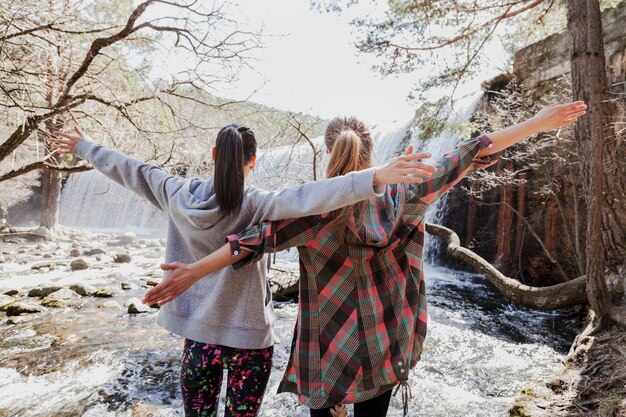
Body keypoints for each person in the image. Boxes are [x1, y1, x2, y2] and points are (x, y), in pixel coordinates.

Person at [143, 101, 587, 417]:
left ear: (330, 150)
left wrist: (190, 274)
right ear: (372, 150)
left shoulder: (311, 209)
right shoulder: (405, 188)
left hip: (325, 350)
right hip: (385, 340)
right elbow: (474, 149)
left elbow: (246, 243)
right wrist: (538, 122)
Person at [47, 124, 436, 417]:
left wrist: (85, 147)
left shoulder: (174, 193)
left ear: (214, 154)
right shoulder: (260, 205)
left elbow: (130, 169)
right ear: (253, 161)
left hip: (199, 338)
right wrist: (375, 178)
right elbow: (313, 196)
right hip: (251, 339)